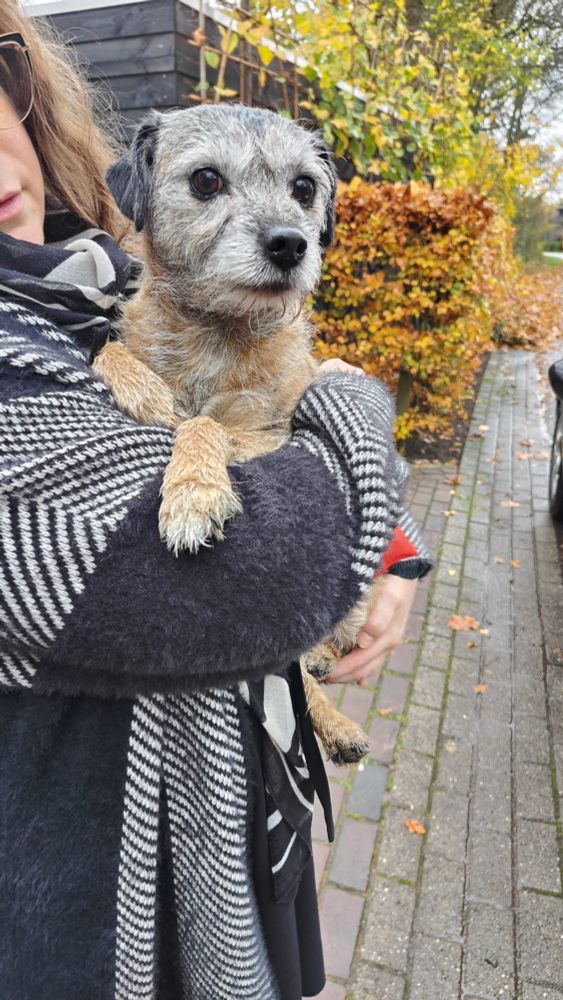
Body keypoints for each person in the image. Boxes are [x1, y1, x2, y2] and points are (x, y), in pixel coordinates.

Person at [0, 7, 432, 999]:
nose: (282, 226)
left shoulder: (87, 273)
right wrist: (356, 421)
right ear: (152, 190)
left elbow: (310, 462)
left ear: (19, 89)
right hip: (92, 893)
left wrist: (396, 546)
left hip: (239, 806)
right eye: (208, 185)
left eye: (301, 193)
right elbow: (242, 583)